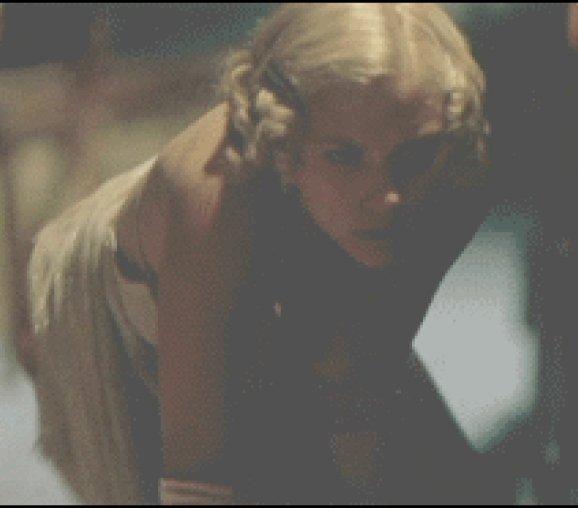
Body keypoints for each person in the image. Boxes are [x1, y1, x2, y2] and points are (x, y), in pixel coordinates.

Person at [27, 3, 513, 504]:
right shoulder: (214, 203)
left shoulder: (456, 168)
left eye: (413, 155)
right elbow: (197, 482)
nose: (388, 196)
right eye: (344, 155)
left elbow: (364, 367)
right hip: (125, 308)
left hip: (290, 284)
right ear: (286, 142)